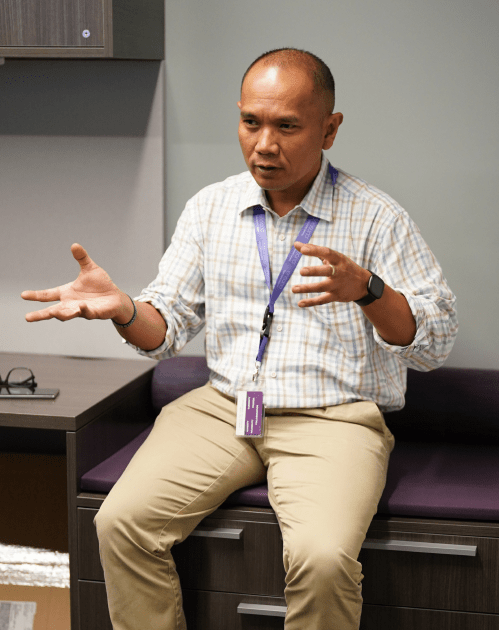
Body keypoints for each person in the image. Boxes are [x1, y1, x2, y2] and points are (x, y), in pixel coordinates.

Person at [22, 48, 458, 630]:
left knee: (323, 560)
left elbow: (435, 343)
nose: (264, 144)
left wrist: (368, 290)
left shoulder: (377, 218)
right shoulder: (212, 208)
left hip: (331, 419)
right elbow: (166, 327)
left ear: (330, 130)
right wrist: (124, 308)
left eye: (287, 126)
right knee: (120, 521)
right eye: (251, 122)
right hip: (223, 406)